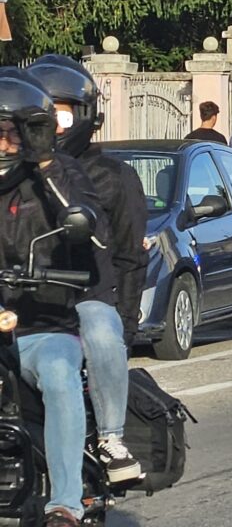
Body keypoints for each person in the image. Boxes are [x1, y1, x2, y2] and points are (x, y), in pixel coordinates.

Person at [0, 70, 114, 527]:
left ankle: (63, 503)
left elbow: (90, 226)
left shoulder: (58, 175)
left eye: (14, 132)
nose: (4, 142)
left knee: (61, 373)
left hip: (40, 325)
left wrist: (46, 163)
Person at [26, 56, 146, 484]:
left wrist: (125, 327)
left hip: (85, 295)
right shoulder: (15, 173)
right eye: (43, 112)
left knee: (100, 329)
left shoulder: (112, 176)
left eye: (62, 112)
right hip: (25, 297)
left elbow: (131, 257)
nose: (54, 124)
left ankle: (111, 438)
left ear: (84, 113)